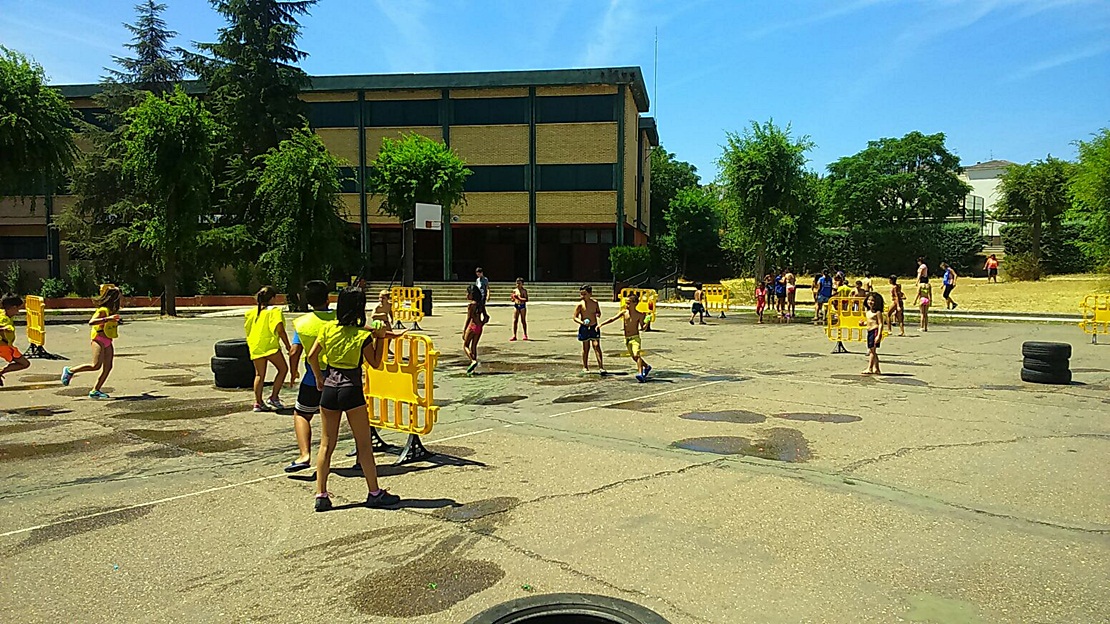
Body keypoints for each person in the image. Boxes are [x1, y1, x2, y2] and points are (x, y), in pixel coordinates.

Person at [307, 288, 401, 512]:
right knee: (364, 443)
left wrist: (319, 377)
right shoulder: (362, 335)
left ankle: (321, 494)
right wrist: (382, 339)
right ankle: (374, 492)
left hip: (329, 387)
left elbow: (312, 356)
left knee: (326, 443)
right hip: (351, 388)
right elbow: (376, 363)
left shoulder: (328, 328)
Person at [284, 280, 335, 473]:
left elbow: (294, 351)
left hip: (312, 378)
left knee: (302, 414)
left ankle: (304, 454)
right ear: (328, 299)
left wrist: (293, 371)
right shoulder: (339, 318)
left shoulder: (302, 323)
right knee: (350, 416)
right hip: (340, 375)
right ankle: (361, 453)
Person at [61, 286, 122, 399]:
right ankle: (70, 370)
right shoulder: (102, 310)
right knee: (95, 365)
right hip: (98, 339)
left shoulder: (111, 311)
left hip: (108, 339)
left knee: (108, 367)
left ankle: (95, 390)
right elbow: (91, 322)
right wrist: (107, 319)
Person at [244, 286, 290, 412]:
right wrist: (288, 346)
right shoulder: (274, 311)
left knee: (259, 374)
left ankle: (258, 403)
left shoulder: (251, 312)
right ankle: (274, 397)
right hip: (270, 346)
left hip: (256, 346)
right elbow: (280, 330)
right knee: (283, 369)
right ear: (272, 298)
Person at [600, 292, 652, 382]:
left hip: (635, 338)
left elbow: (643, 328)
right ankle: (646, 367)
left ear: (635, 303)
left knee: (637, 355)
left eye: (628, 303)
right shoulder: (624, 312)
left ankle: (640, 374)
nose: (626, 305)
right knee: (634, 357)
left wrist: (647, 321)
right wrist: (601, 324)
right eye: (626, 303)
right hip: (627, 339)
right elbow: (613, 319)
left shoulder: (639, 314)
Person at [573, 284, 605, 374]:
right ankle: (585, 367)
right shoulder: (580, 305)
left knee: (597, 346)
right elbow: (574, 317)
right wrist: (582, 322)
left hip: (594, 326)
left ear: (590, 293)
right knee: (586, 348)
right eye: (581, 294)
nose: (582, 296)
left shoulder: (595, 302)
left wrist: (597, 314)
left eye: (584, 294)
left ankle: (601, 367)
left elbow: (598, 312)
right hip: (584, 327)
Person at [0, 294, 30, 387]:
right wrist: (4, 328)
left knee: (24, 363)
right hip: (4, 346)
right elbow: (2, 326)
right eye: (18, 308)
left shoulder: (3, 313)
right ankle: (2, 371)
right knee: (24, 363)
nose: (18, 311)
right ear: (12, 308)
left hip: (7, 346)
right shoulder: (4, 319)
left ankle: (2, 371)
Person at [462, 284, 489, 375]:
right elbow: (486, 317)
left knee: (465, 345)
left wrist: (464, 330)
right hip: (479, 327)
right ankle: (473, 369)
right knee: (474, 346)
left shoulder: (471, 305)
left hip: (472, 326)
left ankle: (472, 360)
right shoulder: (481, 304)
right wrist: (482, 323)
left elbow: (469, 318)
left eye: (468, 293)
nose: (466, 295)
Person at [860, 292, 885, 375]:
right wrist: (863, 323)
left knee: (871, 351)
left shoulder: (877, 312)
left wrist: (879, 335)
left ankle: (869, 368)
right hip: (869, 331)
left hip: (875, 331)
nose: (870, 302)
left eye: (872, 300)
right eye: (869, 300)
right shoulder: (868, 311)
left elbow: (880, 323)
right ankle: (876, 368)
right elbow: (869, 322)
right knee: (873, 351)